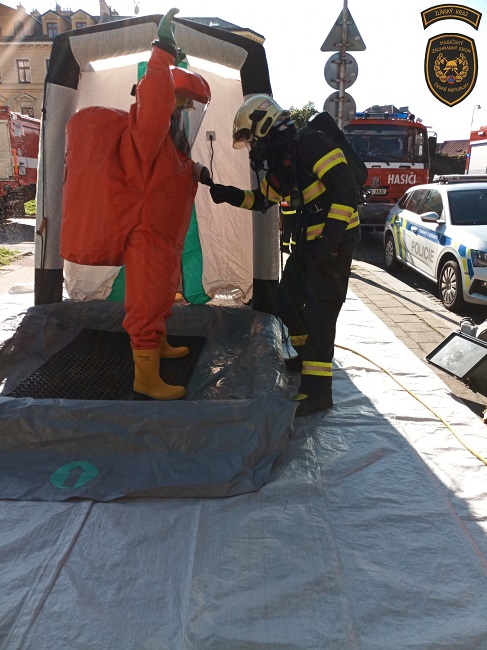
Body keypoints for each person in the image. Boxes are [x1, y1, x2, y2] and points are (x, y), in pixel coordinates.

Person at [60, 8, 211, 401]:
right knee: (146, 300)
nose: (186, 115)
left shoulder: (170, 152)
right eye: (183, 106)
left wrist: (196, 171)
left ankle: (157, 343)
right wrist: (161, 56)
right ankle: (145, 376)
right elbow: (154, 103)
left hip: (166, 240)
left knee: (161, 294)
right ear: (168, 106)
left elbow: (175, 169)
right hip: (148, 236)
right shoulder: (146, 139)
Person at [209, 95, 360, 417]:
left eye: (250, 137)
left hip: (335, 240)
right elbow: (264, 199)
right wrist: (229, 195)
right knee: (286, 302)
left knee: (320, 312)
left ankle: (318, 391)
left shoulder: (311, 143)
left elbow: (346, 188)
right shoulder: (285, 159)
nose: (252, 146)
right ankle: (306, 359)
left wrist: (330, 241)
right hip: (310, 241)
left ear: (263, 124)